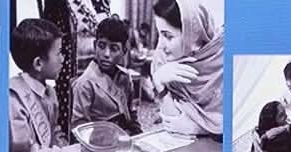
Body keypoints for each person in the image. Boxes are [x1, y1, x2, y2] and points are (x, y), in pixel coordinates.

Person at [10, 19, 84, 152]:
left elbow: (53, 132)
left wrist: (67, 147)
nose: (63, 59)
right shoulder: (14, 99)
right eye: (59, 53)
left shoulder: (50, 92)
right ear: (38, 63)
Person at [150, 0, 225, 138]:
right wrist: (159, 83)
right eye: (159, 34)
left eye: (168, 36)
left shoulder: (223, 57)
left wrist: (200, 128)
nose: (160, 45)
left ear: (192, 34)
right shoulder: (162, 61)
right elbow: (173, 124)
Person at [74, 16, 145, 134]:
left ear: (123, 52)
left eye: (114, 48)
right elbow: (79, 128)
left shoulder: (125, 77)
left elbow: (131, 114)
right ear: (94, 45)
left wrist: (138, 134)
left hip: (125, 135)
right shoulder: (85, 84)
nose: (106, 54)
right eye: (101, 46)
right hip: (100, 140)